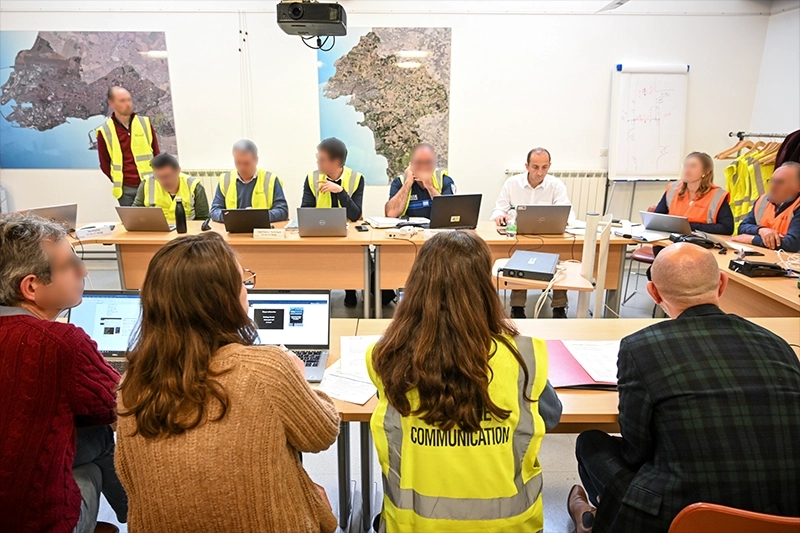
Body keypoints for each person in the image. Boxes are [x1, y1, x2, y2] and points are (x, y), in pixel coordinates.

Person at [568, 243, 800, 533]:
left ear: (653, 292)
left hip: (683, 518)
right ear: (723, 284)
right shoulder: (777, 344)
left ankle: (599, 519)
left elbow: (635, 451)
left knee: (591, 443)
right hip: (786, 515)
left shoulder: (640, 347)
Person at [116, 232, 339, 533]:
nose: (247, 289)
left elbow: (129, 476)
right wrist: (300, 380)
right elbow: (322, 434)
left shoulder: (131, 384)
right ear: (224, 300)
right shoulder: (266, 368)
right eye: (242, 282)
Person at [367, 231, 562, 533]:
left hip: (413, 526)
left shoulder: (386, 356)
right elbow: (549, 417)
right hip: (509, 526)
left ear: (418, 283)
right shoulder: (524, 356)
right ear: (484, 287)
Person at [0, 213, 127, 533]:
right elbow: (122, 404)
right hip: (36, 523)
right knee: (100, 433)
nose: (83, 271)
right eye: (71, 264)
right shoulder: (59, 343)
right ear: (31, 286)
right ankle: (141, 515)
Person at [491, 147, 575, 319]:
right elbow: (499, 208)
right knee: (518, 258)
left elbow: (568, 213)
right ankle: (517, 307)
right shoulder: (512, 184)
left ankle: (559, 307)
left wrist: (563, 219)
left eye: (544, 167)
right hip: (519, 237)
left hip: (550, 237)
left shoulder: (556, 185)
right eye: (535, 167)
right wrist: (500, 216)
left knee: (562, 258)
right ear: (527, 166)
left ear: (549, 166)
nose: (540, 172)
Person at [302, 137, 365, 307]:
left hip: (348, 236)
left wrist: (340, 191)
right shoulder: (311, 178)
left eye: (321, 159)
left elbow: (355, 214)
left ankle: (350, 289)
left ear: (336, 162)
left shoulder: (356, 178)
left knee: (352, 252)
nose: (317, 162)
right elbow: (305, 210)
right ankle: (319, 292)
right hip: (319, 232)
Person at [97, 86, 159, 206]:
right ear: (111, 103)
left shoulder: (145, 123)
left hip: (150, 184)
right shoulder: (105, 131)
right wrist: (118, 180)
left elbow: (156, 153)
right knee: (133, 223)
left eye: (129, 100)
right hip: (126, 190)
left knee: (154, 222)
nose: (128, 104)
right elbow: (104, 164)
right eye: (122, 101)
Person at [651, 152, 734, 235]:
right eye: (685, 166)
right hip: (669, 240)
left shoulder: (717, 195)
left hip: (698, 242)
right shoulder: (673, 188)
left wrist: (689, 226)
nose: (687, 170)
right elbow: (658, 219)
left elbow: (727, 228)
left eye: (693, 166)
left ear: (706, 171)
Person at [209, 140, 289, 223]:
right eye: (238, 162)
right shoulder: (225, 180)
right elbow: (214, 210)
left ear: (256, 160)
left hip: (261, 230)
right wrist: (233, 217)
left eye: (246, 163)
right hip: (233, 230)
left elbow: (282, 211)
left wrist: (258, 216)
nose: (241, 168)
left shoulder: (271, 179)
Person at [732, 161, 800, 252]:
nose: (772, 186)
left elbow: (793, 244)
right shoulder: (763, 200)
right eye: (771, 181)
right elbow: (742, 228)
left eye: (780, 182)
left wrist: (752, 239)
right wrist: (761, 230)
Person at [385, 143, 455, 219]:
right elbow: (390, 214)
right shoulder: (400, 181)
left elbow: (449, 214)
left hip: (436, 230)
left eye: (428, 162)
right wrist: (408, 183)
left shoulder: (444, 180)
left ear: (434, 163)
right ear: (411, 164)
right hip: (408, 229)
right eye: (419, 162)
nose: (423, 167)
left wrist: (430, 187)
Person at [132, 153, 209, 221]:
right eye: (158, 177)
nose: (163, 181)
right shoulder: (147, 183)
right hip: (156, 232)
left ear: (178, 171)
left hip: (187, 233)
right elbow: (135, 212)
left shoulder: (194, 186)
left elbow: (203, 218)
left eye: (167, 176)